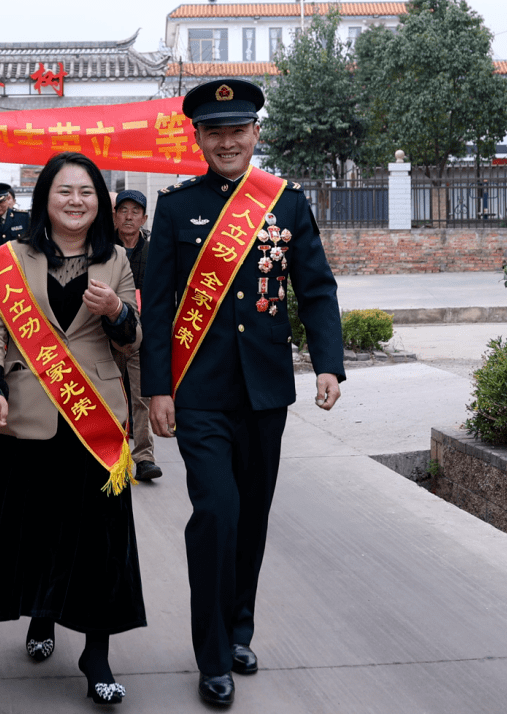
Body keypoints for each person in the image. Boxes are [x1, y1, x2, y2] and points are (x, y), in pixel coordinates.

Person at [140, 79, 346, 707]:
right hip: (199, 392)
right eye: (213, 131)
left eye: (237, 130)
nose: (226, 141)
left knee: (251, 516)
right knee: (217, 515)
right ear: (197, 137)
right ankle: (210, 657)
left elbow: (315, 287)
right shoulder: (175, 208)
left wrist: (328, 364)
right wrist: (157, 389)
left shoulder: (283, 203)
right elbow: (159, 307)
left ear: (256, 133)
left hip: (263, 392)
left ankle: (238, 629)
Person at [0, 152, 145, 706]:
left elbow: (131, 341)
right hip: (29, 415)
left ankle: (97, 654)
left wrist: (118, 310)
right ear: (45, 198)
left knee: (102, 539)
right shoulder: (10, 259)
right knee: (34, 529)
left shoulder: (115, 258)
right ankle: (42, 615)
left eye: (87, 192)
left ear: (101, 203)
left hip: (96, 417)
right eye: (65, 191)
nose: (76, 201)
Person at [111, 189, 161, 481]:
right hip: (107, 333)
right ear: (115, 216)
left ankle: (144, 458)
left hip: (144, 334)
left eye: (135, 212)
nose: (129, 217)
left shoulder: (155, 251)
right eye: (123, 211)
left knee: (141, 396)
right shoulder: (103, 249)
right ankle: (113, 454)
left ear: (143, 218)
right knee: (111, 395)